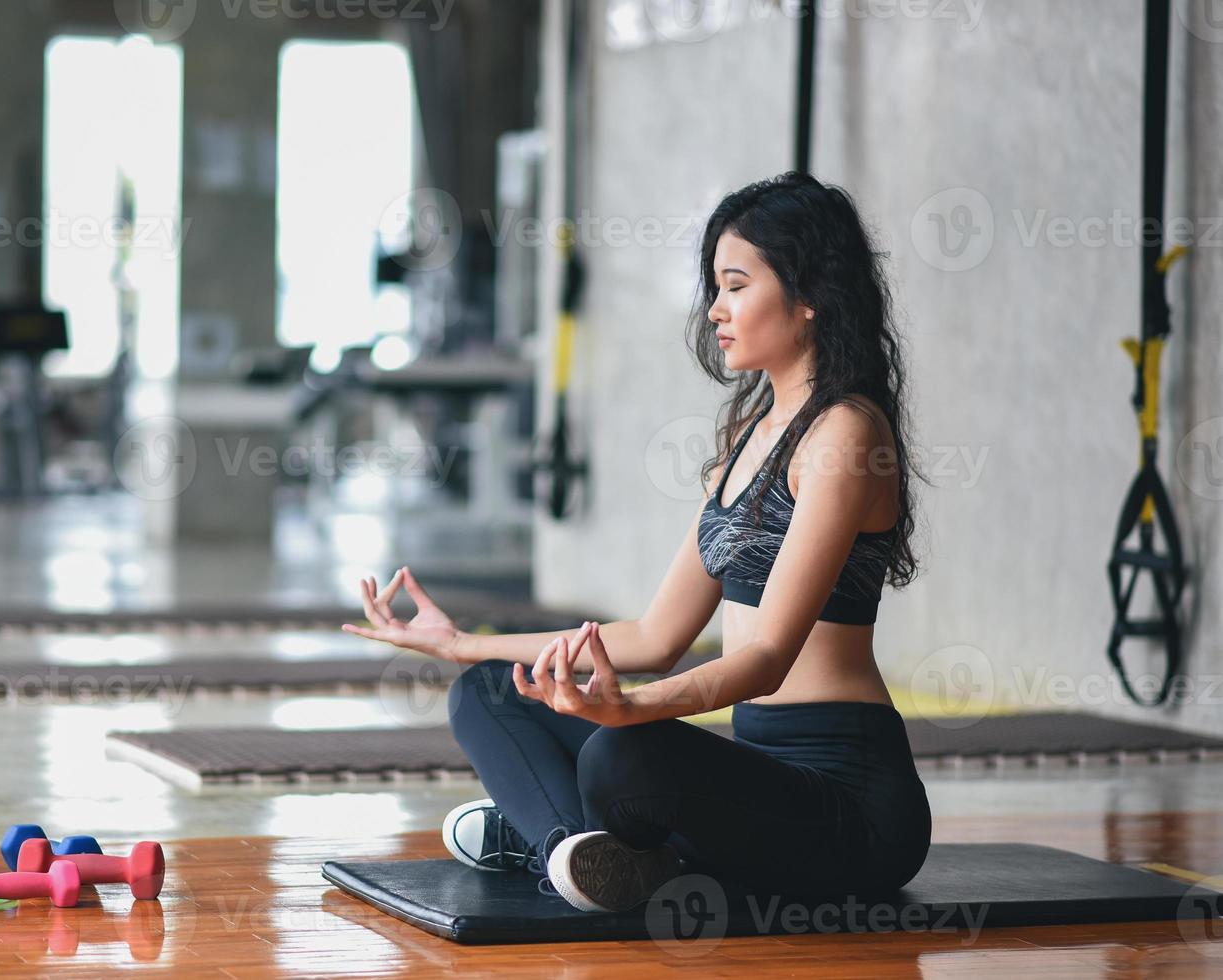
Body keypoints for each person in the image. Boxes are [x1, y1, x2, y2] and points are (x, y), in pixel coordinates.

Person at [342, 171, 931, 914]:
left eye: (737, 286)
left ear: (809, 295)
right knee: (490, 693)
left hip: (847, 803)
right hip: (755, 777)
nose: (715, 309)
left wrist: (632, 711)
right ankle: (574, 853)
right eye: (715, 287)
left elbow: (765, 660)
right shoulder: (747, 439)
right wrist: (467, 644)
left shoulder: (845, 434)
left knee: (625, 752)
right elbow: (654, 635)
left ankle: (557, 833)